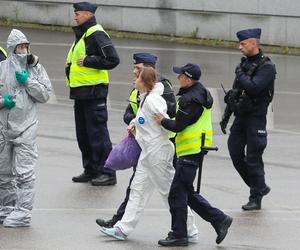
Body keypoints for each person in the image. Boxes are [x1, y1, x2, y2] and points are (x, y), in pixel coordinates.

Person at [96, 53, 198, 242]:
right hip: (148, 153)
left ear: (145, 81)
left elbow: (164, 124)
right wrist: (135, 124)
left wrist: (150, 130)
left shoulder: (153, 100)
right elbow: (145, 120)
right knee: (137, 189)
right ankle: (122, 228)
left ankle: (190, 229)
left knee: (169, 192)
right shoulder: (145, 97)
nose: (134, 79)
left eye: (138, 77)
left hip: (157, 152)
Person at [155, 63, 232, 247]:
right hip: (194, 149)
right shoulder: (200, 93)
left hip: (191, 150)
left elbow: (178, 125)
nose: (177, 78)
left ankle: (179, 234)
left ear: (188, 79)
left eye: (180, 75)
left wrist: (162, 120)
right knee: (186, 193)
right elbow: (184, 119)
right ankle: (219, 219)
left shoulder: (191, 99)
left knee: (176, 194)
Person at [220, 28, 276, 210]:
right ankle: (260, 186)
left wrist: (240, 74)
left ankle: (256, 196)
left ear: (254, 43)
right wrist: (226, 116)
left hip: (256, 118)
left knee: (253, 158)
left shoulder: (267, 66)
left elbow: (253, 88)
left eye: (243, 44)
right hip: (241, 116)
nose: (239, 47)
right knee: (235, 152)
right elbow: (236, 93)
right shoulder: (244, 65)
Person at [0, 29, 52, 227]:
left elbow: (45, 95)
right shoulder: (1, 68)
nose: (24, 50)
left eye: (26, 46)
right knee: (3, 173)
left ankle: (23, 212)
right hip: (3, 129)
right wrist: (3, 102)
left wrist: (28, 81)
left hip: (26, 129)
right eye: (20, 46)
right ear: (12, 48)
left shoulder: (35, 69)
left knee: (24, 173)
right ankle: (6, 208)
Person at [66, 2, 120, 186]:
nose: (75, 17)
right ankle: (91, 169)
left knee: (98, 135)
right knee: (84, 134)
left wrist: (89, 61)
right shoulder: (83, 35)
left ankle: (107, 172)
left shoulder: (96, 33)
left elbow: (112, 59)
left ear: (88, 14)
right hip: (81, 93)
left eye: (78, 13)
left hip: (94, 93)